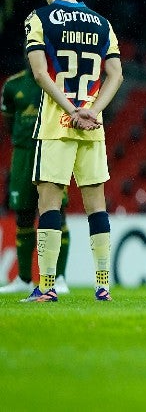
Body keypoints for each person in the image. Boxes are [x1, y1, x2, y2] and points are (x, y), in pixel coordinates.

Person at [21, 0, 124, 302]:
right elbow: (116, 74)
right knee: (96, 205)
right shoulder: (102, 23)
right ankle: (103, 284)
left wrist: (70, 111)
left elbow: (39, 73)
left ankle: (47, 285)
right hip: (92, 126)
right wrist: (91, 110)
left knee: (49, 203)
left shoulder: (39, 18)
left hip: (56, 124)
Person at [0, 68, 70, 294]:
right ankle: (24, 279)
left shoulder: (59, 79)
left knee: (57, 213)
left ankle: (59, 278)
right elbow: (9, 122)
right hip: (23, 154)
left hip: (51, 148)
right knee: (24, 215)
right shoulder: (12, 85)